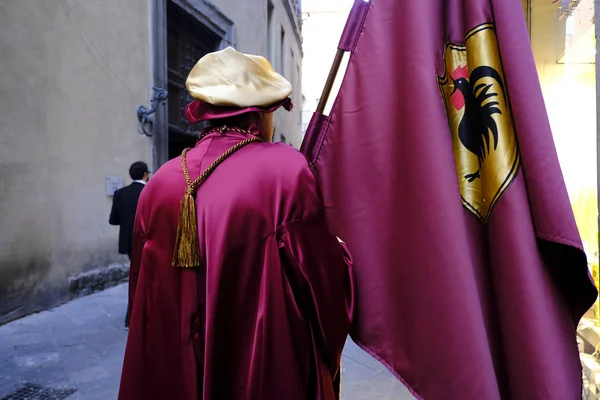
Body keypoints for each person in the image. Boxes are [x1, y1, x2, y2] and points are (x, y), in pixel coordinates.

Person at [118, 47, 354, 400]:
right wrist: (342, 256)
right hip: (259, 366)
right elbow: (322, 288)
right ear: (261, 116)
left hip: (175, 365)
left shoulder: (161, 181)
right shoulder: (284, 171)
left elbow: (139, 292)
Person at [109, 161, 149, 328]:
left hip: (128, 243)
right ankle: (134, 316)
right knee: (142, 279)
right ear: (145, 174)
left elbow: (113, 220)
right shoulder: (148, 191)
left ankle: (133, 316)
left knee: (136, 277)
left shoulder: (120, 193)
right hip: (145, 242)